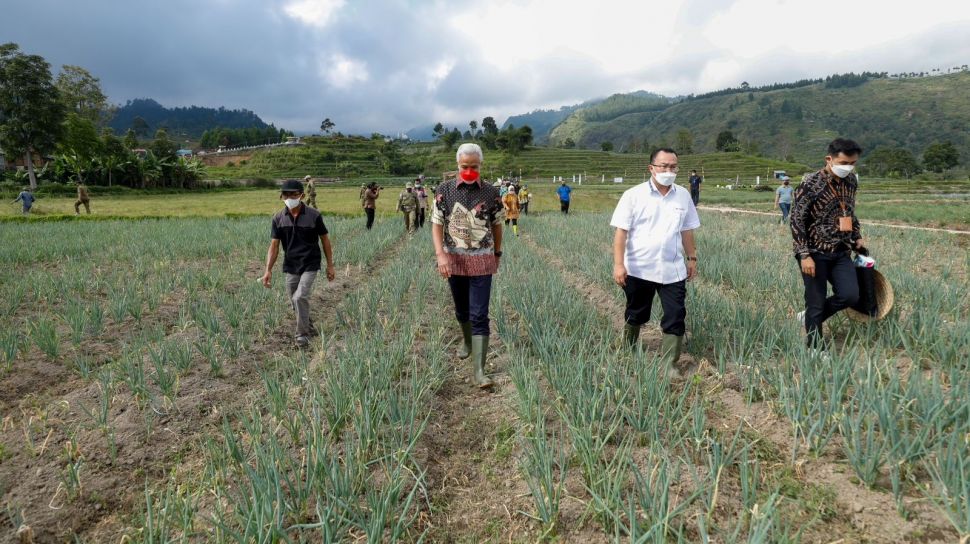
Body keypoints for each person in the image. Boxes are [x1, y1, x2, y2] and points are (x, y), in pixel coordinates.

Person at [610, 148, 700, 375]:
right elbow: (621, 233)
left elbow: (687, 229)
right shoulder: (633, 195)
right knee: (636, 312)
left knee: (676, 315)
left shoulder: (683, 195)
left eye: (673, 167)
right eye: (664, 166)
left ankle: (670, 364)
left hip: (673, 269)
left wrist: (692, 258)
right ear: (651, 168)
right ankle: (628, 347)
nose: (669, 171)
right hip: (639, 268)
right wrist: (619, 264)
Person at [432, 143, 504, 389]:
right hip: (455, 260)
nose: (470, 171)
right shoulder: (445, 190)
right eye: (465, 166)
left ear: (480, 165)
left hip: (483, 260)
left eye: (474, 166)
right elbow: (436, 224)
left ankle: (479, 372)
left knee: (479, 314)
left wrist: (497, 253)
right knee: (462, 310)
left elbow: (497, 224)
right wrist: (440, 254)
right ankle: (466, 340)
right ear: (458, 165)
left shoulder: (492, 193)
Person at [791, 138, 865, 351]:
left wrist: (857, 235)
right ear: (829, 159)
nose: (848, 168)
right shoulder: (809, 184)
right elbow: (797, 219)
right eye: (844, 163)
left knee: (850, 295)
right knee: (815, 300)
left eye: (852, 163)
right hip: (814, 252)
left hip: (841, 251)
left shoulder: (851, 182)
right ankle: (815, 348)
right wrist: (804, 254)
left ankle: (811, 317)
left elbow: (850, 212)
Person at [260, 179, 335, 348]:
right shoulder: (278, 218)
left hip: (310, 262)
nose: (289, 197)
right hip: (291, 264)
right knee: (293, 300)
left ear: (301, 195)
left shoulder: (314, 215)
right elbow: (274, 246)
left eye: (293, 194)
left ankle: (302, 335)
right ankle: (307, 325)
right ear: (281, 196)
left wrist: (330, 265)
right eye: (286, 194)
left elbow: (325, 240)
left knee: (300, 296)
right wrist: (268, 270)